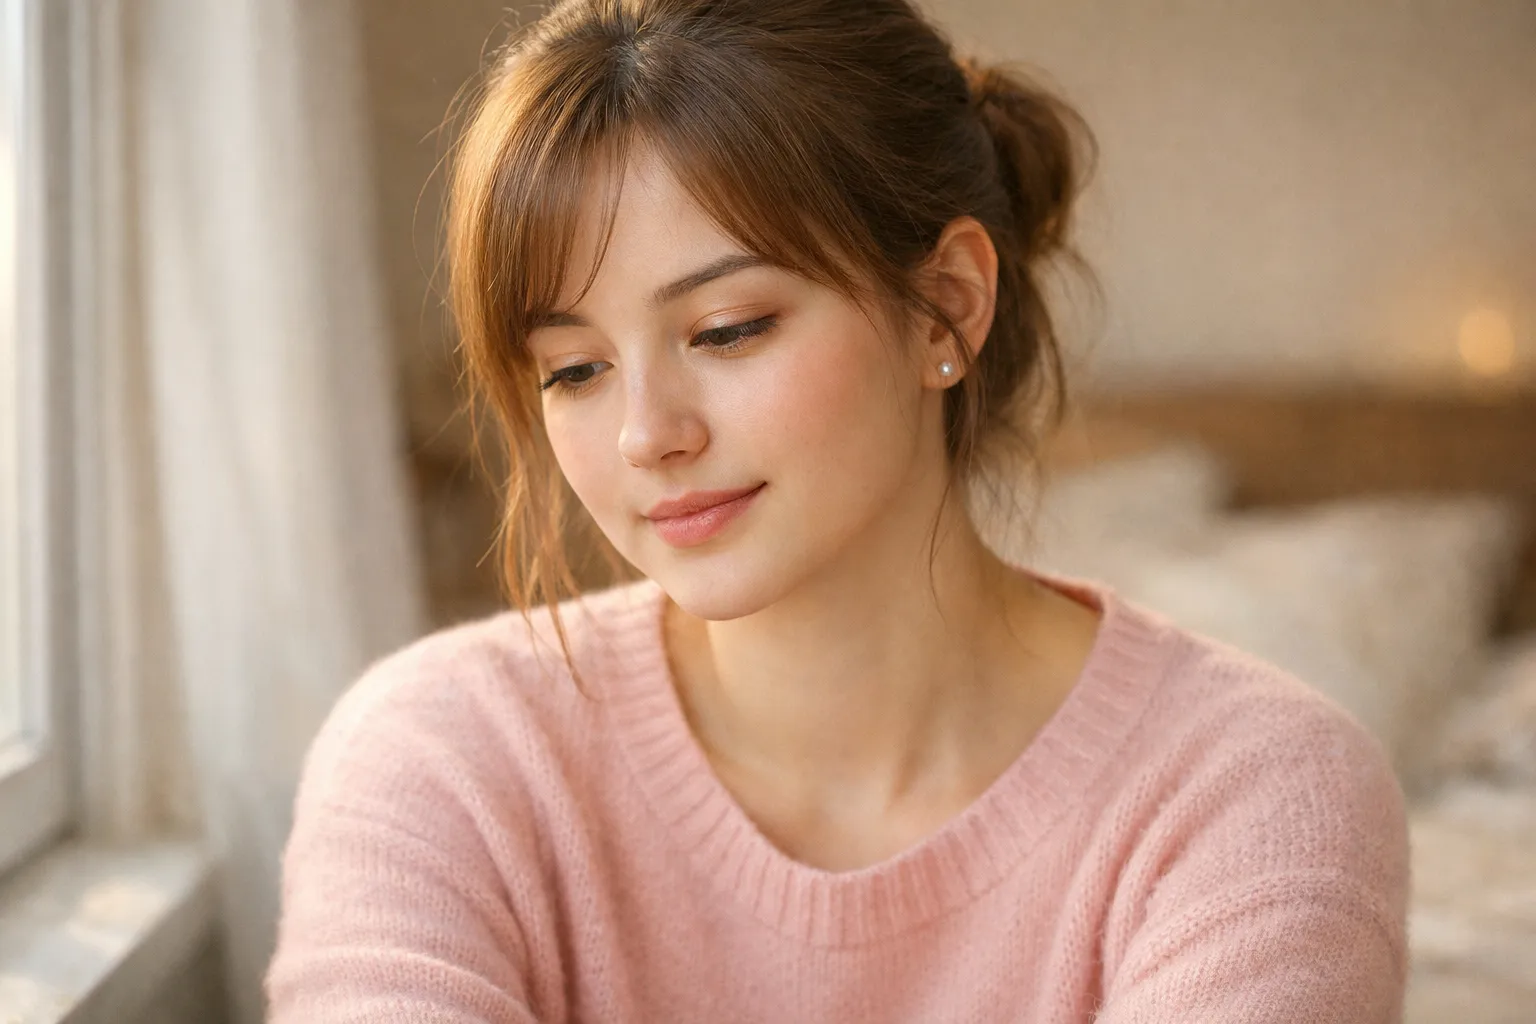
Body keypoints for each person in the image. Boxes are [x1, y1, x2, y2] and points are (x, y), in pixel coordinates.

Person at [265, 1, 1410, 1020]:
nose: (644, 433)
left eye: (726, 330)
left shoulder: (1253, 797)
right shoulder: (443, 758)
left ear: (945, 308)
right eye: (572, 370)